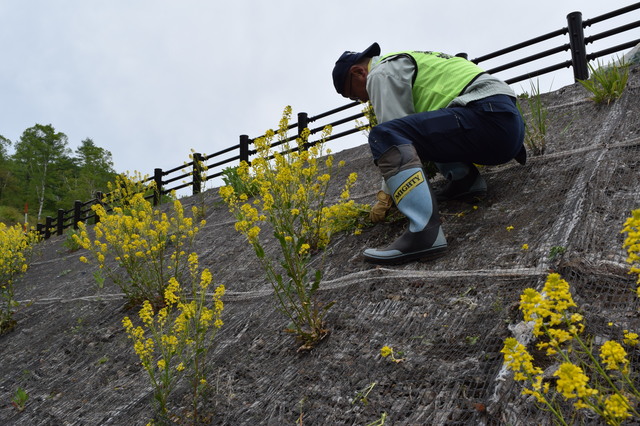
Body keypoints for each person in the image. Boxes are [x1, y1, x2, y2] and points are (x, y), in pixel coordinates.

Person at [332, 42, 525, 265]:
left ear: (358, 72)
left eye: (354, 95)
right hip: (507, 126)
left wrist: (387, 195)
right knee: (420, 124)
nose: (362, 101)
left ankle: (424, 232)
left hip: (486, 117)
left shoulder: (380, 73)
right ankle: (465, 181)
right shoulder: (405, 60)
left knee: (383, 134)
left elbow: (393, 139)